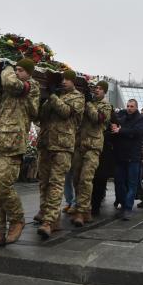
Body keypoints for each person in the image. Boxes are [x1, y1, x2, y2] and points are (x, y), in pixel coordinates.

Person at [0, 59, 39, 251]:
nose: (16, 72)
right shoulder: (7, 89)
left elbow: (13, 84)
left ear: (29, 73)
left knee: (3, 187)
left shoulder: (31, 86)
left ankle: (17, 219)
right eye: (15, 69)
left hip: (13, 143)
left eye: (20, 70)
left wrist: (6, 68)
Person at [35, 70, 84, 239]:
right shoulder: (54, 95)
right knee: (44, 183)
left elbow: (65, 112)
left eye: (67, 80)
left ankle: (49, 221)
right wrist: (46, 98)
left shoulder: (78, 97)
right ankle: (47, 214)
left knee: (56, 183)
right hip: (46, 143)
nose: (64, 82)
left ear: (74, 82)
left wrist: (53, 97)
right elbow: (40, 117)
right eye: (62, 79)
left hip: (63, 146)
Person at [70, 80, 112, 227]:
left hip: (94, 146)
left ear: (104, 91)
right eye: (95, 88)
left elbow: (98, 118)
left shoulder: (106, 106)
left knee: (86, 178)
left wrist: (88, 104)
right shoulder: (88, 103)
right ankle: (81, 206)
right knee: (76, 178)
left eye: (99, 89)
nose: (96, 91)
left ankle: (82, 211)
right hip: (80, 144)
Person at [111, 99, 143, 221]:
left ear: (136, 107)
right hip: (120, 156)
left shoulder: (140, 119)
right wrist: (115, 128)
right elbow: (115, 126)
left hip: (133, 156)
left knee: (132, 183)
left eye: (132, 106)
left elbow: (137, 132)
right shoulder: (122, 116)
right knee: (119, 183)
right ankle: (124, 205)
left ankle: (128, 208)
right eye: (128, 106)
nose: (129, 108)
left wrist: (121, 130)